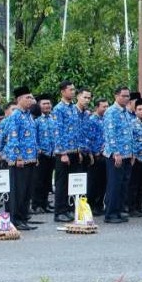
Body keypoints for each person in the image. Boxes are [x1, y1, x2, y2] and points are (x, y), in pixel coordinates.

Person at [2, 87, 38, 231]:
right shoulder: (15, 116)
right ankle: (15, 219)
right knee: (18, 191)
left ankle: (23, 218)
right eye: (27, 98)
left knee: (27, 191)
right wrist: (17, 157)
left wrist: (35, 156)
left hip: (30, 159)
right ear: (19, 100)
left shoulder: (28, 115)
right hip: (19, 161)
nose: (31, 100)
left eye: (31, 98)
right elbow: (12, 137)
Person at [103, 86, 133, 223]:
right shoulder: (111, 112)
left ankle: (119, 210)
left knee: (123, 184)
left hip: (127, 154)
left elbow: (129, 134)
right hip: (116, 154)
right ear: (116, 95)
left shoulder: (126, 112)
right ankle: (111, 213)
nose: (126, 98)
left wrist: (131, 152)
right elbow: (111, 134)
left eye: (128, 96)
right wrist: (116, 152)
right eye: (124, 96)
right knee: (114, 184)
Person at [52, 81, 79, 222]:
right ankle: (60, 211)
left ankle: (68, 209)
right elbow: (57, 131)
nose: (73, 92)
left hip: (74, 150)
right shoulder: (59, 109)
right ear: (63, 91)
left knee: (71, 182)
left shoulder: (73, 108)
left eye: (74, 89)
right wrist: (62, 153)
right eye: (70, 89)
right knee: (61, 183)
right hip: (64, 152)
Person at [32, 93, 55, 214]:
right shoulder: (36, 120)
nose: (47, 106)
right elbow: (33, 137)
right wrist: (37, 149)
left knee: (47, 180)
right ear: (39, 106)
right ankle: (37, 204)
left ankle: (45, 203)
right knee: (38, 180)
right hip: (41, 154)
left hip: (52, 154)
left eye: (49, 103)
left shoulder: (53, 118)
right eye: (44, 104)